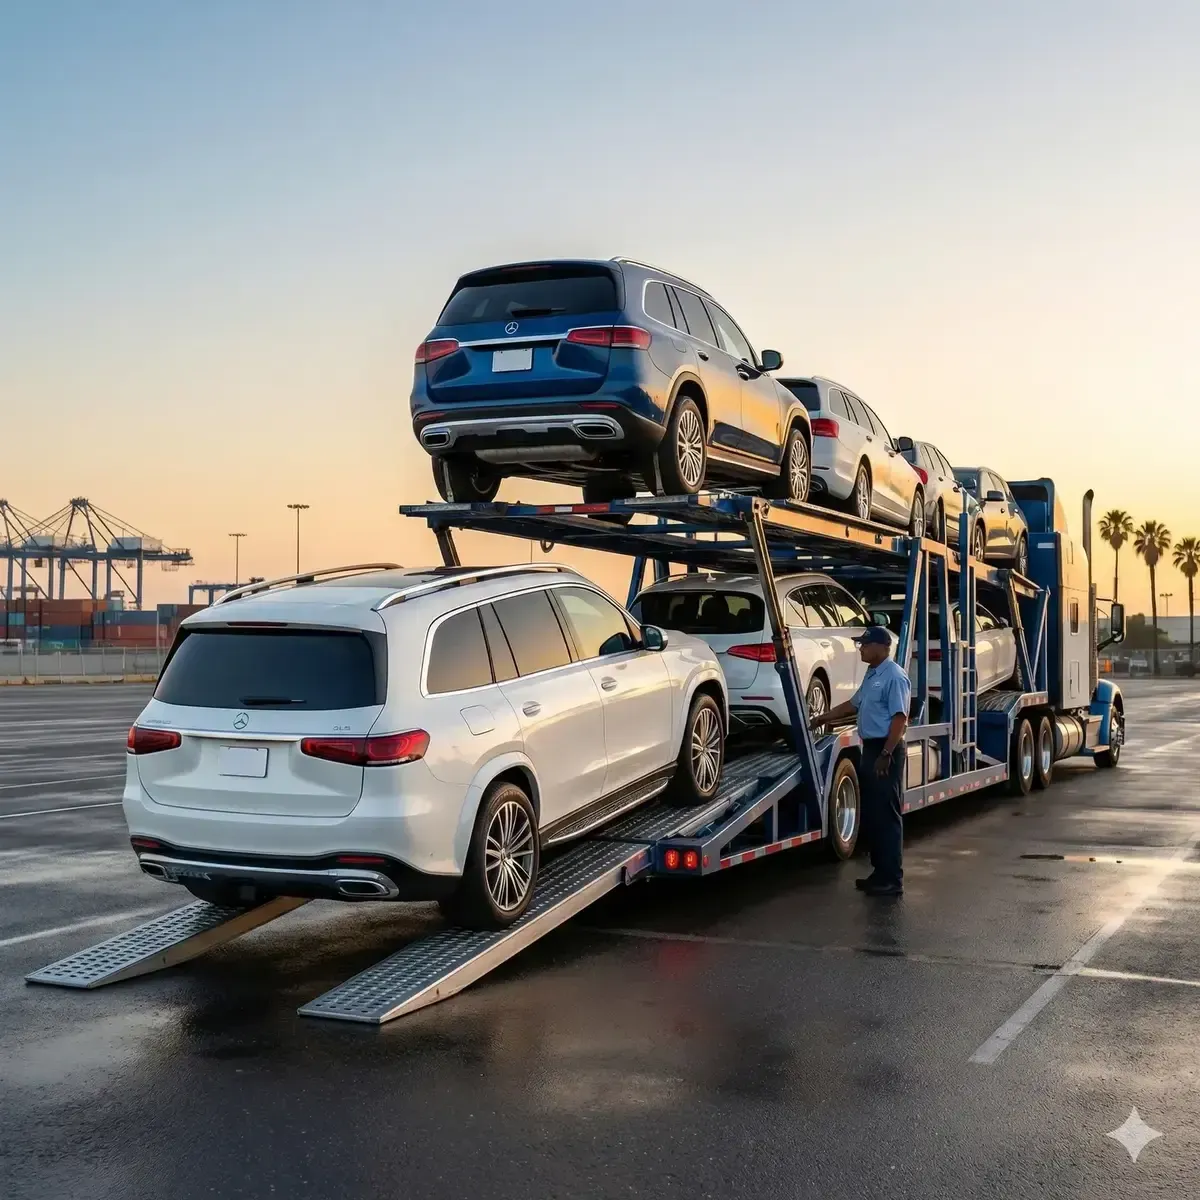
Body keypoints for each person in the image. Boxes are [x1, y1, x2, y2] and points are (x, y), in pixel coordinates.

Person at [808, 625, 910, 896]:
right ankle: (879, 873)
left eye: (865, 644)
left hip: (885, 750)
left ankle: (892, 879)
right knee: (874, 814)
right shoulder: (872, 674)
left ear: (881, 647)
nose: (861, 648)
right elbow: (853, 705)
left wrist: (886, 755)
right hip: (872, 748)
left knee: (887, 816)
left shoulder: (895, 677)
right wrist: (822, 718)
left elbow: (900, 720)